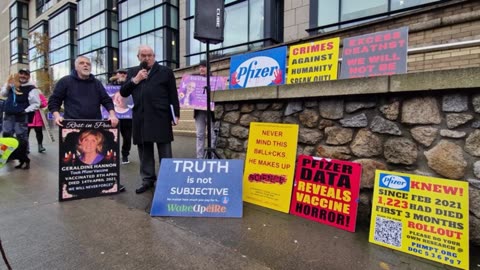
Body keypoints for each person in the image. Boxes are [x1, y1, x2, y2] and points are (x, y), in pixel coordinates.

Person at [48, 56, 123, 191]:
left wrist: (112, 114)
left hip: (95, 126)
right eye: (82, 63)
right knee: (75, 158)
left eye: (88, 63)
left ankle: (106, 182)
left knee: (98, 156)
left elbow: (106, 100)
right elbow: (54, 100)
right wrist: (57, 115)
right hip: (73, 127)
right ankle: (74, 186)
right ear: (76, 67)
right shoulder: (65, 82)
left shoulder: (96, 83)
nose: (85, 65)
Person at [120, 45, 180, 194]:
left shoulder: (166, 71)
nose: (147, 58)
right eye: (143, 55)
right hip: (141, 116)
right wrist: (136, 80)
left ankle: (168, 179)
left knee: (165, 150)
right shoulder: (133, 72)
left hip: (161, 115)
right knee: (144, 150)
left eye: (149, 55)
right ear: (138, 57)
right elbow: (123, 92)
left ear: (154, 56)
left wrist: (176, 114)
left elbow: (173, 93)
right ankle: (147, 180)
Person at [1, 69, 41, 141]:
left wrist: (25, 111)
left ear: (28, 76)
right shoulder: (11, 84)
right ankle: (7, 152)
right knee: (6, 135)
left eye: (26, 74)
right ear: (18, 74)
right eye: (21, 73)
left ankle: (23, 152)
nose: (23, 76)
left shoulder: (31, 88)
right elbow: (3, 94)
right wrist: (8, 87)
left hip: (21, 116)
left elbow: (36, 103)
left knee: (21, 136)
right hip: (8, 115)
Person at [193, 60, 217, 159]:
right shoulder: (195, 80)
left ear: (208, 68)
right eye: (200, 67)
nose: (201, 69)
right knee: (199, 135)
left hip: (211, 112)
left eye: (204, 66)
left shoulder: (214, 80)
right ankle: (200, 158)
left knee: (213, 135)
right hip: (199, 112)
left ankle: (212, 157)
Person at [109, 69, 132, 165]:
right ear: (116, 74)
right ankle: (111, 155)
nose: (122, 74)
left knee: (127, 138)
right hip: (114, 116)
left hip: (128, 117)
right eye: (120, 73)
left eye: (124, 73)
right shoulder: (110, 86)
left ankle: (125, 155)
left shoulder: (131, 84)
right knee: (111, 137)